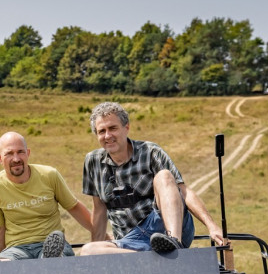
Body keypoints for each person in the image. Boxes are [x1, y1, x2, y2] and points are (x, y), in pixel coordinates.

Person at [79, 102, 228, 256]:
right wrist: (94, 258)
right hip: (130, 240)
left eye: (113, 128)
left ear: (126, 127)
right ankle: (145, 260)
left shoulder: (150, 152)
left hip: (162, 224)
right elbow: (99, 209)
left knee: (164, 176)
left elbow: (184, 192)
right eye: (101, 131)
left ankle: (173, 244)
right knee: (88, 251)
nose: (108, 136)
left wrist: (211, 226)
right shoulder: (92, 162)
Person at [0, 131, 93, 260]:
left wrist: (102, 235)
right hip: (17, 249)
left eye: (20, 152)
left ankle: (50, 259)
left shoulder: (49, 175)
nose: (16, 159)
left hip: (49, 243)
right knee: (7, 263)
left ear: (28, 153)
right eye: (9, 154)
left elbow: (74, 207)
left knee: (51, 258)